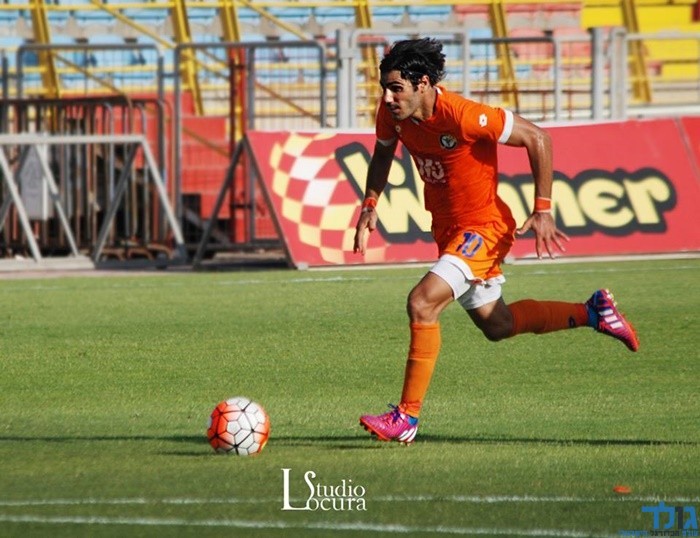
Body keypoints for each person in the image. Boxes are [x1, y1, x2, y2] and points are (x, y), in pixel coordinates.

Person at [352, 37, 639, 445]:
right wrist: (370, 203)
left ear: (424, 83)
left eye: (396, 88)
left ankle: (406, 417)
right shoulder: (392, 114)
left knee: (422, 302)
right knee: (497, 324)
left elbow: (538, 138)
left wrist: (543, 209)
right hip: (448, 230)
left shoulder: (465, 115)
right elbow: (382, 154)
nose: (387, 98)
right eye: (384, 88)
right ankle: (593, 312)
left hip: (483, 228)